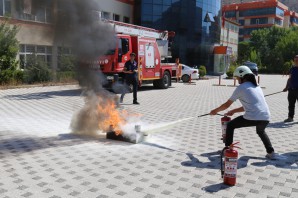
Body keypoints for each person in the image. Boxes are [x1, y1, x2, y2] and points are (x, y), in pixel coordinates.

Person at [209, 66, 276, 159]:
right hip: (266, 117)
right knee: (261, 131)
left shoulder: (241, 87)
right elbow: (250, 106)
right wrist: (233, 111)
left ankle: (227, 149)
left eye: (237, 78)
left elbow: (227, 104)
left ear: (242, 76)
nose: (236, 80)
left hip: (253, 116)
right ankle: (271, 152)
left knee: (230, 125)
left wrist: (214, 111)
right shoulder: (257, 86)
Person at [283, 55, 298, 122]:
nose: (296, 61)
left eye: (297, 60)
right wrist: (286, 87)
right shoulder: (292, 68)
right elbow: (289, 78)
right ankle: (290, 117)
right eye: (295, 60)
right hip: (291, 89)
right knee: (291, 104)